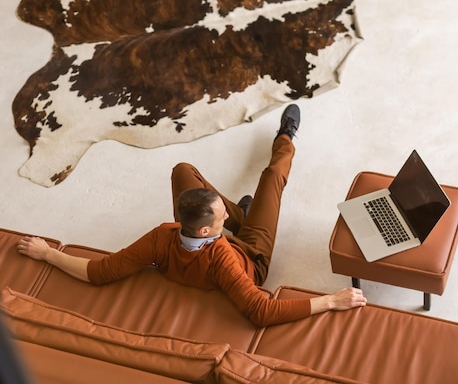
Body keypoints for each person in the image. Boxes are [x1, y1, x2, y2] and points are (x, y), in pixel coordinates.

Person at [16, 104, 367, 326]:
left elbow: (99, 272)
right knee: (271, 180)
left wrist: (48, 253)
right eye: (221, 220)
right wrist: (331, 301)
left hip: (209, 234)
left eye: (222, 216)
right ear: (206, 232)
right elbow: (261, 312)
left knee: (183, 169)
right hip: (252, 255)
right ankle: (286, 137)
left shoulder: (163, 235)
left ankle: (242, 212)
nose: (223, 220)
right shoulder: (224, 261)